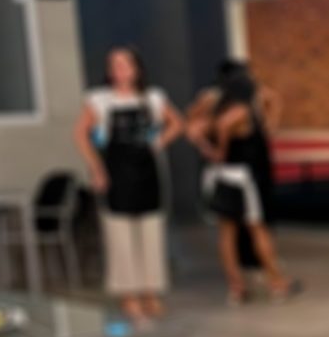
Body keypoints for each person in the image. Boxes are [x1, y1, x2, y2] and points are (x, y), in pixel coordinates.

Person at [73, 46, 184, 320]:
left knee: (151, 230)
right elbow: (81, 135)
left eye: (124, 64)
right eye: (114, 65)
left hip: (148, 171)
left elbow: (177, 123)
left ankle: (151, 291)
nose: (119, 70)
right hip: (116, 172)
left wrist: (158, 143)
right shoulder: (99, 100)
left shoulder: (154, 98)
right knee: (119, 233)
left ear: (137, 69)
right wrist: (97, 169)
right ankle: (128, 294)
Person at [193, 68, 297, 303]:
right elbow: (221, 139)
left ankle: (236, 286)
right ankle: (276, 281)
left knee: (227, 232)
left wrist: (205, 145)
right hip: (242, 179)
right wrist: (216, 148)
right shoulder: (240, 111)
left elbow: (194, 128)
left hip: (222, 177)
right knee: (257, 228)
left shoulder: (217, 109)